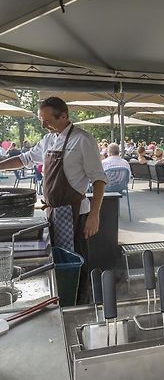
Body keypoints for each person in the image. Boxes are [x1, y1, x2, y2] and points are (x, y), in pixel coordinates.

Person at [0, 97, 107, 303]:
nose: (43, 125)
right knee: (56, 259)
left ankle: (78, 303)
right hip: (52, 212)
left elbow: (99, 180)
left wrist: (94, 215)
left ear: (64, 116)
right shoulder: (48, 139)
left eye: (47, 121)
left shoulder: (82, 140)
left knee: (76, 261)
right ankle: (61, 298)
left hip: (76, 214)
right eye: (41, 120)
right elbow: (25, 159)